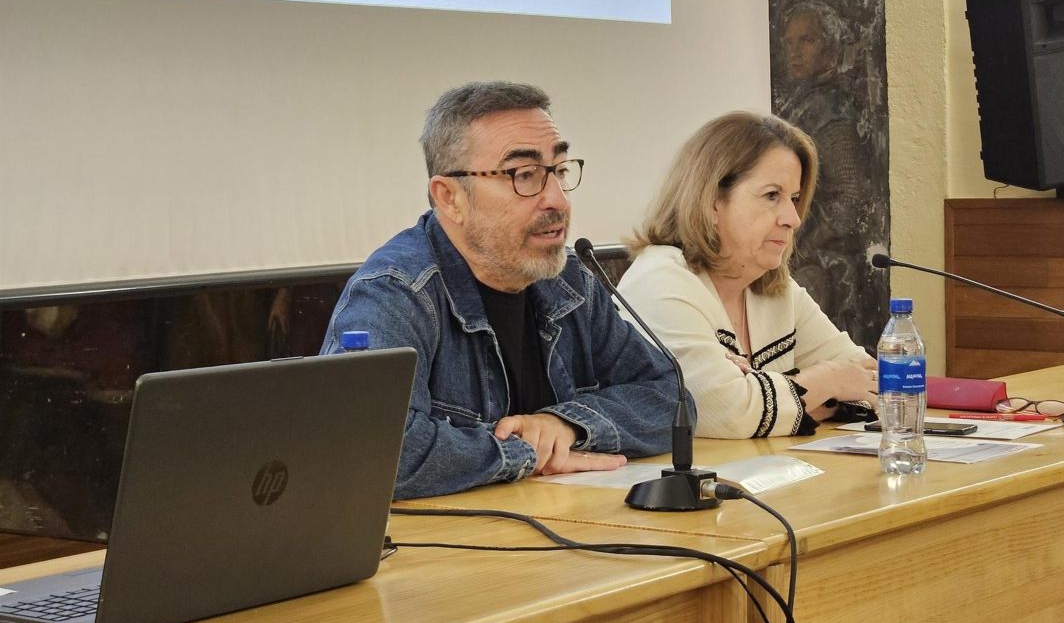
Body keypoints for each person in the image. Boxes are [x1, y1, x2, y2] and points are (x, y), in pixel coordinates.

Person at [321, 81, 681, 499]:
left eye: (559, 171)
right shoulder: (394, 295)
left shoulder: (569, 280)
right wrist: (524, 451)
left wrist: (565, 426)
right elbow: (372, 450)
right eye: (524, 175)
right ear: (449, 197)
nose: (557, 200)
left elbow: (671, 399)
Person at [617, 111, 876, 439]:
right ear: (712, 203)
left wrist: (772, 394)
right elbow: (726, 412)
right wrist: (828, 380)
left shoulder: (774, 287)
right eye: (772, 196)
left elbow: (873, 384)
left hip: (769, 476)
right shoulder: (660, 280)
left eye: (794, 199)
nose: (792, 219)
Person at [775, 0, 888, 349]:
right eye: (790, 42)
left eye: (807, 41)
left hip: (824, 269)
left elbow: (850, 196)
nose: (795, 52)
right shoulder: (801, 102)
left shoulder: (830, 110)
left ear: (830, 48)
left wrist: (804, 247)